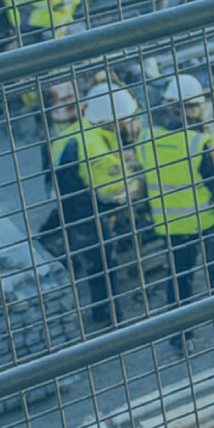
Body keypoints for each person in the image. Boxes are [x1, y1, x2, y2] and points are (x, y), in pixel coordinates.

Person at [135, 73, 214, 353]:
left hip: (170, 226)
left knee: (178, 280)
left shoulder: (146, 139)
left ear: (168, 107)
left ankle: (181, 340)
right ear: (195, 108)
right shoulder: (199, 143)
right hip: (207, 223)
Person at [52, 86, 145, 328]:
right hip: (84, 210)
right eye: (124, 120)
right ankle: (111, 317)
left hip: (69, 203)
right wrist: (133, 172)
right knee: (104, 264)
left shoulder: (84, 130)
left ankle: (98, 308)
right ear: (110, 120)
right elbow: (111, 191)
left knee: (91, 260)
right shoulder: (93, 144)